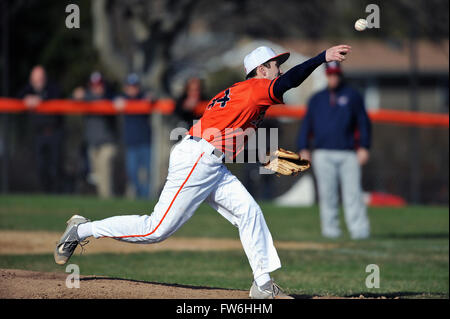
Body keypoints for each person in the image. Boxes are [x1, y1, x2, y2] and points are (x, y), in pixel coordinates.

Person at [54, 44, 351, 299]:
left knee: (249, 212)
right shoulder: (257, 89)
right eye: (276, 65)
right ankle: (81, 230)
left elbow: (225, 138)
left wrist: (261, 157)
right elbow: (291, 82)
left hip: (208, 160)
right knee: (155, 229)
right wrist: (322, 57)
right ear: (261, 70)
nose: (280, 71)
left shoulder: (242, 94)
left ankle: (262, 284)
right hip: (198, 160)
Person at [297, 61, 371, 240]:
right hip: (323, 153)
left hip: (348, 152)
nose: (333, 77)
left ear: (340, 74)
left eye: (336, 74)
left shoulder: (353, 95)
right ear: (326, 75)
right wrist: (303, 147)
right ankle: (331, 231)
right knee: (327, 194)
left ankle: (359, 232)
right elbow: (307, 125)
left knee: (352, 194)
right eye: (330, 74)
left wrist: (364, 146)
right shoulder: (317, 99)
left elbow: (363, 122)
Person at [19, 65, 64, 193]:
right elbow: (18, 95)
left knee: (55, 166)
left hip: (54, 132)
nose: (38, 81)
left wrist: (41, 99)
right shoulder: (28, 90)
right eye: (36, 79)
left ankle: (57, 192)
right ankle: (45, 192)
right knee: (40, 166)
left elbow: (58, 94)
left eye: (41, 78)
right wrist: (27, 98)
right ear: (31, 79)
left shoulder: (52, 88)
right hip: (38, 134)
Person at [73, 71, 118, 198]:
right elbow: (73, 99)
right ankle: (103, 200)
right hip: (92, 144)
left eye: (99, 84)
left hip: (107, 143)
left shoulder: (110, 96)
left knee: (105, 173)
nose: (97, 87)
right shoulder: (86, 97)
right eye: (94, 85)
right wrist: (76, 95)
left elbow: (119, 99)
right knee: (96, 176)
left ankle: (107, 199)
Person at [114, 73, 152, 199]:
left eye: (135, 86)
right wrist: (116, 101)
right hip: (131, 143)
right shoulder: (122, 99)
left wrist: (150, 99)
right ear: (126, 87)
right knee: (132, 173)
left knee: (148, 173)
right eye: (130, 86)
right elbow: (111, 99)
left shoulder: (144, 97)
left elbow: (153, 98)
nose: (132, 89)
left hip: (145, 141)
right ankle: (141, 195)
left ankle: (146, 197)